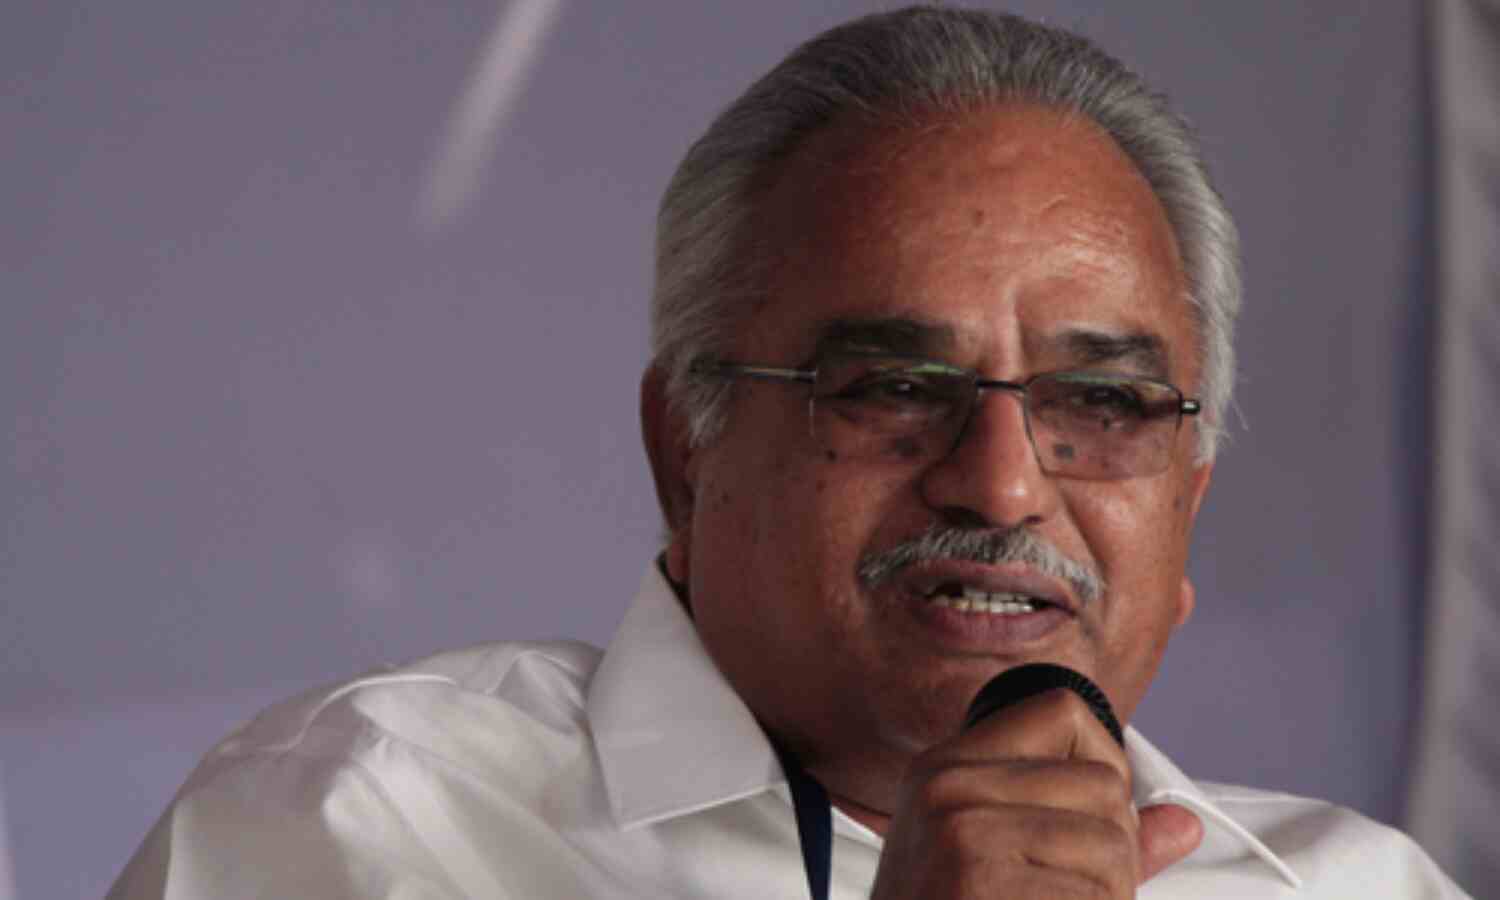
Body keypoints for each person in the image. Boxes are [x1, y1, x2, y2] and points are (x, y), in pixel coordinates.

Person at [109, 7, 1468, 898]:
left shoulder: (1357, 887)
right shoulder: (369, 822)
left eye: (1104, 406)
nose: (1003, 483)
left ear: (1188, 504)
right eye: (893, 388)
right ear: (686, 456)